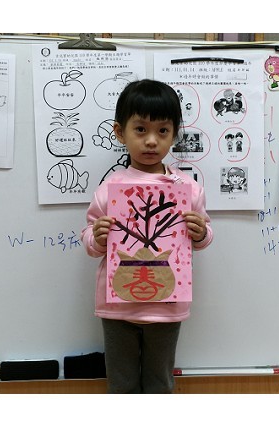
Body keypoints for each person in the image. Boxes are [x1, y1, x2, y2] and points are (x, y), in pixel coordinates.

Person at [81, 79, 213, 393]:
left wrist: (200, 233)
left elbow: (205, 234)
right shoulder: (110, 189)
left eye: (163, 131)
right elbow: (90, 241)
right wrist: (97, 237)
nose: (151, 141)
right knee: (121, 384)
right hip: (118, 305)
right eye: (140, 129)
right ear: (120, 132)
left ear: (174, 134)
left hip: (167, 304)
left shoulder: (188, 189)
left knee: (160, 383)